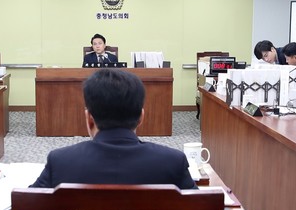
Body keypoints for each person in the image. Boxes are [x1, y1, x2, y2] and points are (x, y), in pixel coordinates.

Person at [31, 69, 195, 189]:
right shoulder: (173, 162)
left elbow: (25, 207)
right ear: (141, 117)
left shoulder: (60, 161)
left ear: (89, 118)